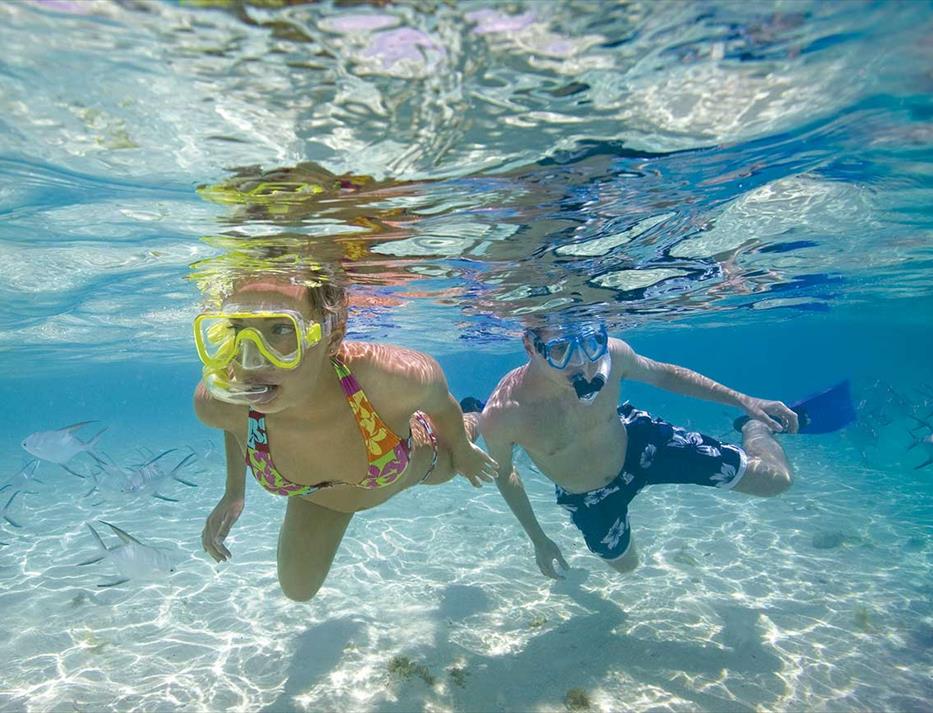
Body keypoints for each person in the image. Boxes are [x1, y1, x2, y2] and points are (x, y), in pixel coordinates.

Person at [193, 269, 498, 602]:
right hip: (320, 500)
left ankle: (475, 417)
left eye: (280, 329)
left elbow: (441, 404)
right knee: (298, 591)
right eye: (238, 329)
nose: (250, 362)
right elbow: (233, 424)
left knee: (458, 451)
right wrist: (234, 492)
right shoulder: (220, 401)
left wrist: (465, 449)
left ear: (333, 334)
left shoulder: (394, 379)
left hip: (418, 463)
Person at [468, 320, 798, 579]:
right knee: (626, 565)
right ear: (530, 346)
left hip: (640, 446)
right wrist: (539, 540)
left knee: (776, 481)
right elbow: (505, 473)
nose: (582, 364)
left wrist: (745, 401)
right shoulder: (503, 415)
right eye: (560, 350)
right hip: (589, 496)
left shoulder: (612, 355)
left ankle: (753, 429)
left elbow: (665, 375)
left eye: (589, 343)